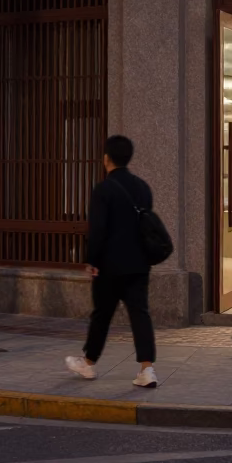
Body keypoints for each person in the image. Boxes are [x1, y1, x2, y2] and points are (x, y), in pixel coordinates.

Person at [65, 135, 159, 388]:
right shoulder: (142, 187)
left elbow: (98, 229)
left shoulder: (103, 189)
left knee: (102, 315)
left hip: (109, 266)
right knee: (140, 314)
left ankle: (89, 363)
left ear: (106, 158)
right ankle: (147, 369)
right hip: (139, 264)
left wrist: (91, 261)